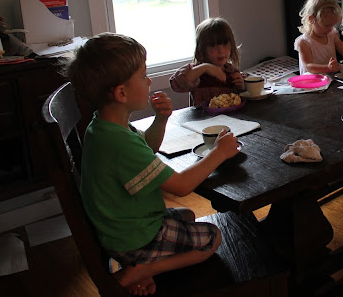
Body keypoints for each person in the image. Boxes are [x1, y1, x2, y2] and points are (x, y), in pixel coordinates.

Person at [66, 33, 240, 295]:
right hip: (135, 238)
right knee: (213, 237)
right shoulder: (118, 142)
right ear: (121, 93)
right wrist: (218, 153)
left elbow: (148, 146)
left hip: (120, 230)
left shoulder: (103, 127)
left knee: (187, 215)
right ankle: (143, 269)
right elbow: (181, 186)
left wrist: (161, 119)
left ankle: (143, 264)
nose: (148, 81)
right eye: (143, 76)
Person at [170, 18, 245, 106]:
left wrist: (241, 87)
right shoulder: (197, 72)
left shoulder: (232, 72)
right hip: (202, 115)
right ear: (202, 49)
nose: (220, 51)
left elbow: (241, 99)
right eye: (213, 45)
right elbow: (177, 84)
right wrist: (206, 67)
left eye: (225, 43)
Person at [294, 0, 343, 75]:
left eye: (332, 25)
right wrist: (328, 68)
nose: (330, 29)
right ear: (312, 20)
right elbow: (308, 66)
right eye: (326, 25)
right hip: (312, 80)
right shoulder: (304, 42)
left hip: (330, 78)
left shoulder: (332, 35)